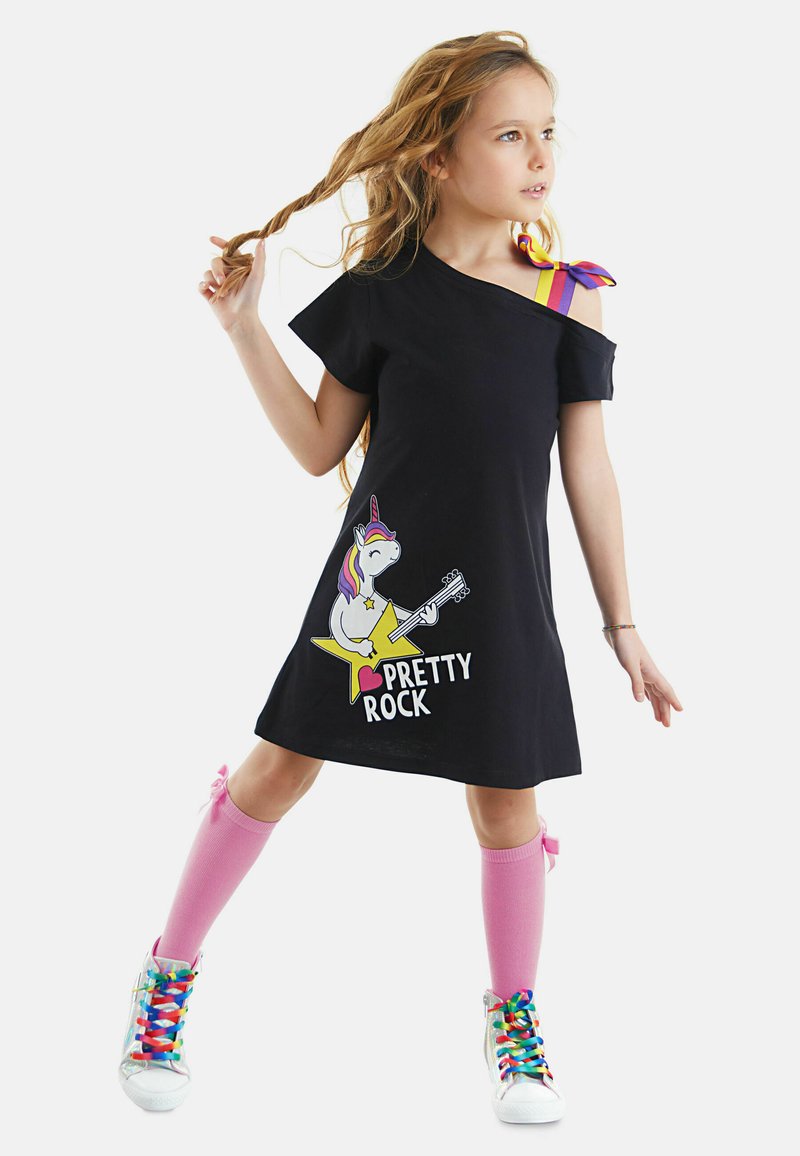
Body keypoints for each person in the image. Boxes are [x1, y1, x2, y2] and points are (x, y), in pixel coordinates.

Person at [118, 30, 683, 1124]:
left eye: (547, 133)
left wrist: (623, 625)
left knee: (506, 800)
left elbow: (590, 469)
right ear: (437, 154)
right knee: (278, 768)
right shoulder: (381, 291)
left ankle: (515, 1020)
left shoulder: (569, 297)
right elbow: (317, 447)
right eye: (509, 135)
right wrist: (242, 327)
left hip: (500, 601)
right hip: (369, 604)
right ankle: (166, 976)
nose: (540, 156)